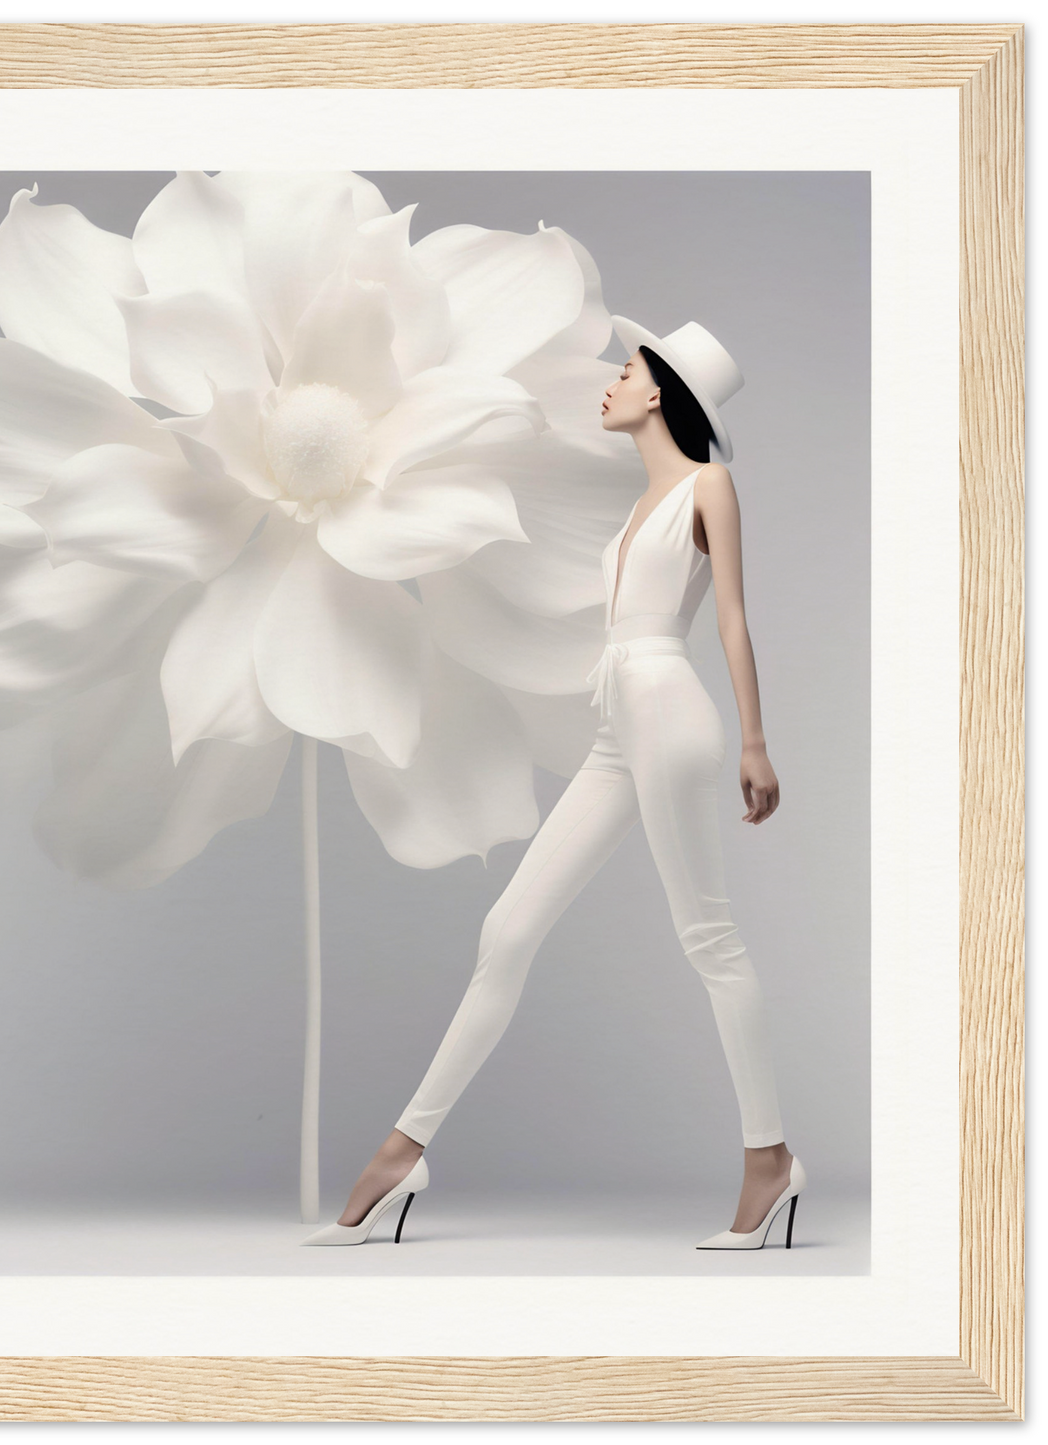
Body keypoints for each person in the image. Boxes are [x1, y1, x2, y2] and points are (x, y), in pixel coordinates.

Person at [302, 318, 806, 1250]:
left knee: (707, 936)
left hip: (668, 707)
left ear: (659, 393)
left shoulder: (709, 485)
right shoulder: (635, 506)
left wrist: (757, 740)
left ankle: (767, 1158)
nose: (608, 385)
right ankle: (405, 1147)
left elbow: (731, 618)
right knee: (508, 928)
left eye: (624, 371)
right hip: (616, 718)